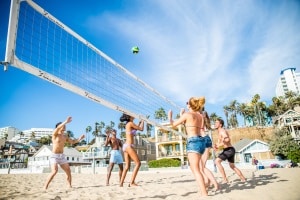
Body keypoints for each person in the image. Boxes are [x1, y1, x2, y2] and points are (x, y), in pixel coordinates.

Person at [168, 97, 208, 197]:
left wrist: (170, 116)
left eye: (187, 103)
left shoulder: (187, 114)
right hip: (200, 141)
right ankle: (204, 186)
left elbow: (173, 124)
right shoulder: (200, 116)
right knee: (196, 168)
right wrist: (182, 115)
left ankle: (204, 193)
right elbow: (193, 125)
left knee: (196, 169)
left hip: (193, 141)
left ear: (189, 105)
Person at [44, 116, 85, 190]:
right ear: (59, 127)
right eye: (64, 125)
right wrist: (65, 121)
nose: (65, 126)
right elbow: (58, 128)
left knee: (68, 171)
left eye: (65, 125)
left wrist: (79, 139)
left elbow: (72, 142)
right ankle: (45, 187)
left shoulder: (65, 136)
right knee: (54, 171)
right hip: (54, 156)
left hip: (61, 156)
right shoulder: (55, 134)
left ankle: (69, 185)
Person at [214, 118, 246, 183]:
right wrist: (218, 146)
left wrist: (220, 143)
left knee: (217, 161)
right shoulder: (220, 132)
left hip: (228, 150)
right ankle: (243, 178)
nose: (215, 124)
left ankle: (225, 179)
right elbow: (224, 143)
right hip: (229, 149)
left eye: (216, 123)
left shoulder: (222, 131)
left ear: (220, 125)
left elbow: (227, 140)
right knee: (232, 166)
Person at [119, 113, 144, 187]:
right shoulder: (130, 123)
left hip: (126, 146)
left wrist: (140, 122)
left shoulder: (128, 124)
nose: (133, 115)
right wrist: (143, 120)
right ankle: (132, 182)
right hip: (129, 146)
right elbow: (141, 129)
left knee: (127, 166)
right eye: (131, 114)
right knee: (138, 163)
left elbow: (135, 129)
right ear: (129, 117)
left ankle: (121, 183)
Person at [200, 110, 219, 191]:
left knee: (202, 167)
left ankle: (215, 184)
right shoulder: (202, 118)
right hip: (205, 140)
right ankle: (207, 182)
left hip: (203, 140)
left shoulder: (200, 118)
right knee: (201, 166)